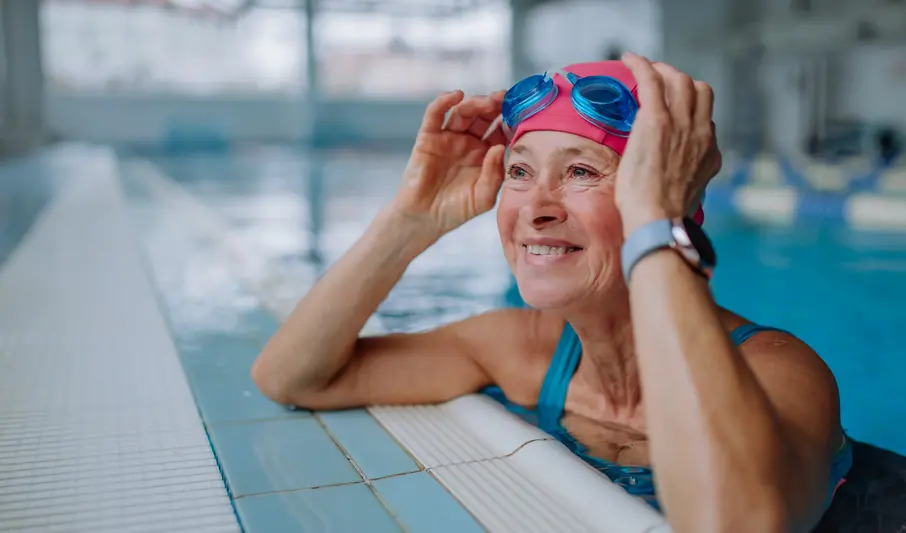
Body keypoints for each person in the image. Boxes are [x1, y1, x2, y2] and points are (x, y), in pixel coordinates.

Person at [251, 54, 851, 532]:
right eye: (520, 171)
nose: (535, 209)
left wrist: (653, 222)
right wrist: (412, 219)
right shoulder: (523, 350)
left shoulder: (779, 372)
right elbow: (295, 378)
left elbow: (737, 524)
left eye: (582, 172)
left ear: (671, 204)